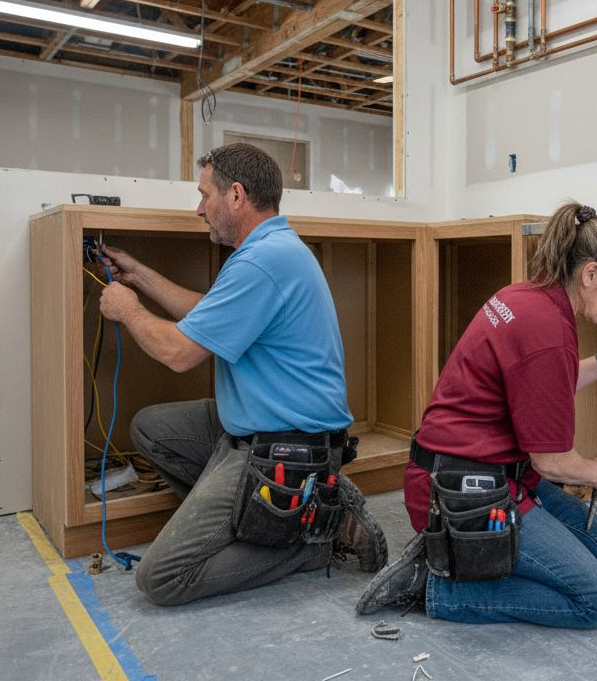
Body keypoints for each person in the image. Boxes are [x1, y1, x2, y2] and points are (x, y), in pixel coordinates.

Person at [97, 142, 387, 606]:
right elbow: (209, 315)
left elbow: (179, 353)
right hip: (258, 428)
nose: (198, 209)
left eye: (204, 195)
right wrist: (141, 277)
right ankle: (274, 514)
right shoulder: (274, 248)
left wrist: (128, 311)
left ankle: (310, 542)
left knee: (162, 578)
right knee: (153, 428)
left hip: (283, 444)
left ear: (235, 195)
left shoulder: (261, 262)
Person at [356, 201, 597, 628]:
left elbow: (541, 389)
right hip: (461, 493)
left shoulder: (526, 298)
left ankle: (472, 560)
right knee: (595, 600)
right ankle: (437, 586)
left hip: (471, 473)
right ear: (590, 274)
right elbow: (551, 462)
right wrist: (596, 473)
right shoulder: (548, 331)